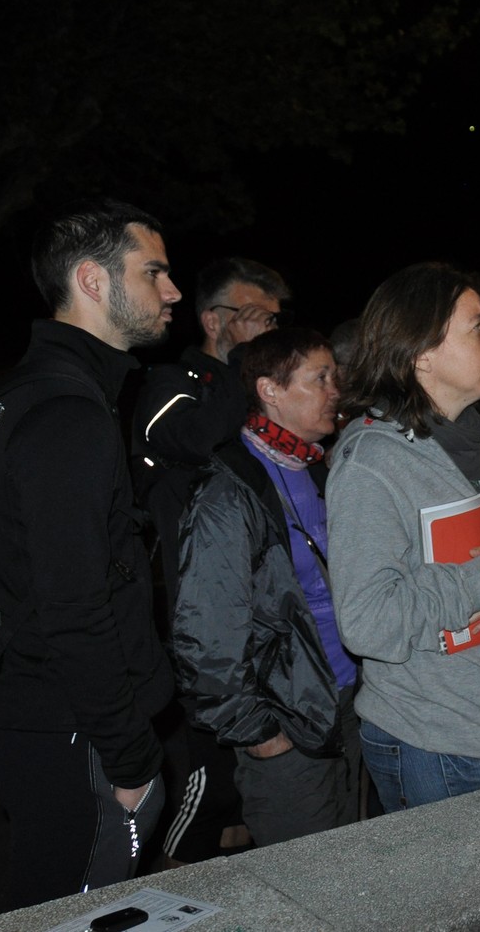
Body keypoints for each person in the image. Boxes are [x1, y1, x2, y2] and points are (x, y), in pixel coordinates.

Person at [0, 198, 181, 907]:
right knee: (80, 913)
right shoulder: (66, 413)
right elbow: (74, 606)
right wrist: (130, 757)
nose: (173, 291)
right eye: (154, 272)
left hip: (45, 722)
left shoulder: (26, 393)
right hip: (72, 733)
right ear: (92, 280)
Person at [327, 262, 480, 809]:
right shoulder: (371, 465)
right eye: (477, 326)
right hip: (433, 744)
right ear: (421, 353)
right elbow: (368, 621)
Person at [131, 255, 290, 866]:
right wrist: (241, 365)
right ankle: (165, 885)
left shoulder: (260, 386)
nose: (267, 328)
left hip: (265, 607)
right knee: (209, 788)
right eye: (254, 316)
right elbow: (191, 440)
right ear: (214, 320)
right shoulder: (174, 382)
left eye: (273, 318)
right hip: (202, 613)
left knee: (247, 809)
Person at [172, 327, 360, 845]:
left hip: (349, 705)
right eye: (320, 378)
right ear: (270, 390)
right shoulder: (230, 491)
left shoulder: (320, 470)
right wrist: (259, 734)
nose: (335, 391)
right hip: (289, 723)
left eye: (335, 377)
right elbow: (206, 631)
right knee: (308, 877)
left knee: (356, 865)